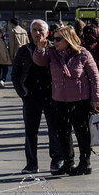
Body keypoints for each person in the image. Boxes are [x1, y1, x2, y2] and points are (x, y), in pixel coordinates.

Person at [32, 25, 99, 176]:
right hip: (59, 100)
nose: (55, 42)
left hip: (79, 100)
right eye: (54, 39)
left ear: (68, 39)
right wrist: (39, 48)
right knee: (62, 133)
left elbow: (95, 77)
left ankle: (85, 163)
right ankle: (68, 163)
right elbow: (39, 61)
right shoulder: (52, 53)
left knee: (81, 132)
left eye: (58, 39)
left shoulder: (82, 53)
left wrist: (96, 99)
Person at [13, 19, 60, 174]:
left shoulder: (54, 49)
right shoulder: (23, 50)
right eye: (34, 30)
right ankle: (31, 163)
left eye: (40, 30)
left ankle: (56, 160)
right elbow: (16, 73)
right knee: (30, 131)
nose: (37, 33)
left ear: (47, 33)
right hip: (31, 96)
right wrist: (22, 93)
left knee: (54, 129)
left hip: (51, 95)